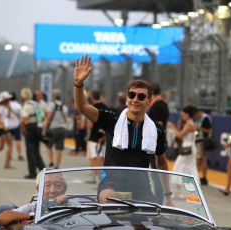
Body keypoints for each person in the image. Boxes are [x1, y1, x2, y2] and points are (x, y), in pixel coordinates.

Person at [73, 55, 171, 205]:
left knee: (149, 221)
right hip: (111, 183)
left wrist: (167, 195)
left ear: (149, 101)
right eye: (131, 95)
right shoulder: (112, 119)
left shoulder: (157, 130)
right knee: (110, 200)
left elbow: (162, 163)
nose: (135, 99)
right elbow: (83, 107)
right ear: (127, 97)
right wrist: (78, 84)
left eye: (141, 96)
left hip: (141, 186)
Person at [0, 172, 68, 227]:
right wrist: (33, 216)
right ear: (39, 189)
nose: (52, 190)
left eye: (57, 185)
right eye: (47, 185)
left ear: (64, 189)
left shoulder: (75, 205)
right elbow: (2, 218)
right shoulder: (33, 208)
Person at [168, 105, 199, 190]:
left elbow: (180, 135)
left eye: (183, 115)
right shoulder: (191, 123)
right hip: (190, 147)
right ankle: (189, 188)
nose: (182, 116)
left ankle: (179, 190)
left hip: (187, 148)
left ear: (187, 115)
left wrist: (172, 127)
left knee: (179, 165)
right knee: (189, 167)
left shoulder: (189, 124)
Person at [20, 88, 45, 179]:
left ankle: (32, 172)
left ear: (23, 96)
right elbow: (42, 117)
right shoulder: (36, 104)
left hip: (29, 128)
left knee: (30, 151)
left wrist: (22, 128)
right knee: (36, 150)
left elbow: (24, 118)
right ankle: (43, 170)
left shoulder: (26, 105)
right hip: (38, 127)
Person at [43, 89, 68, 169]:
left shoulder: (51, 105)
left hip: (53, 128)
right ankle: (57, 165)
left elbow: (49, 116)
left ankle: (51, 161)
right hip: (62, 128)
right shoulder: (64, 107)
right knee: (59, 148)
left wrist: (45, 127)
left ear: (53, 96)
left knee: (49, 145)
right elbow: (66, 118)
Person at [86, 90, 107, 183]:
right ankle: (103, 178)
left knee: (94, 159)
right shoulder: (106, 108)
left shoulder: (92, 108)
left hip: (94, 137)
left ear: (93, 97)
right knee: (102, 160)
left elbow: (90, 125)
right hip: (102, 137)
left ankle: (98, 179)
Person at [193, 107, 212, 185]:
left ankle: (195, 177)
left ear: (198, 113)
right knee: (203, 159)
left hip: (202, 140)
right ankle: (203, 178)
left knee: (198, 159)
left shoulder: (205, 118)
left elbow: (209, 130)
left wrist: (199, 128)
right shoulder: (199, 118)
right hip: (199, 140)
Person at [10, 92, 25, 161]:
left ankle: (9, 155)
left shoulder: (6, 105)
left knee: (9, 141)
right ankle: (19, 154)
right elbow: (22, 116)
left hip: (8, 125)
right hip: (16, 124)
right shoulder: (18, 105)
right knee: (18, 140)